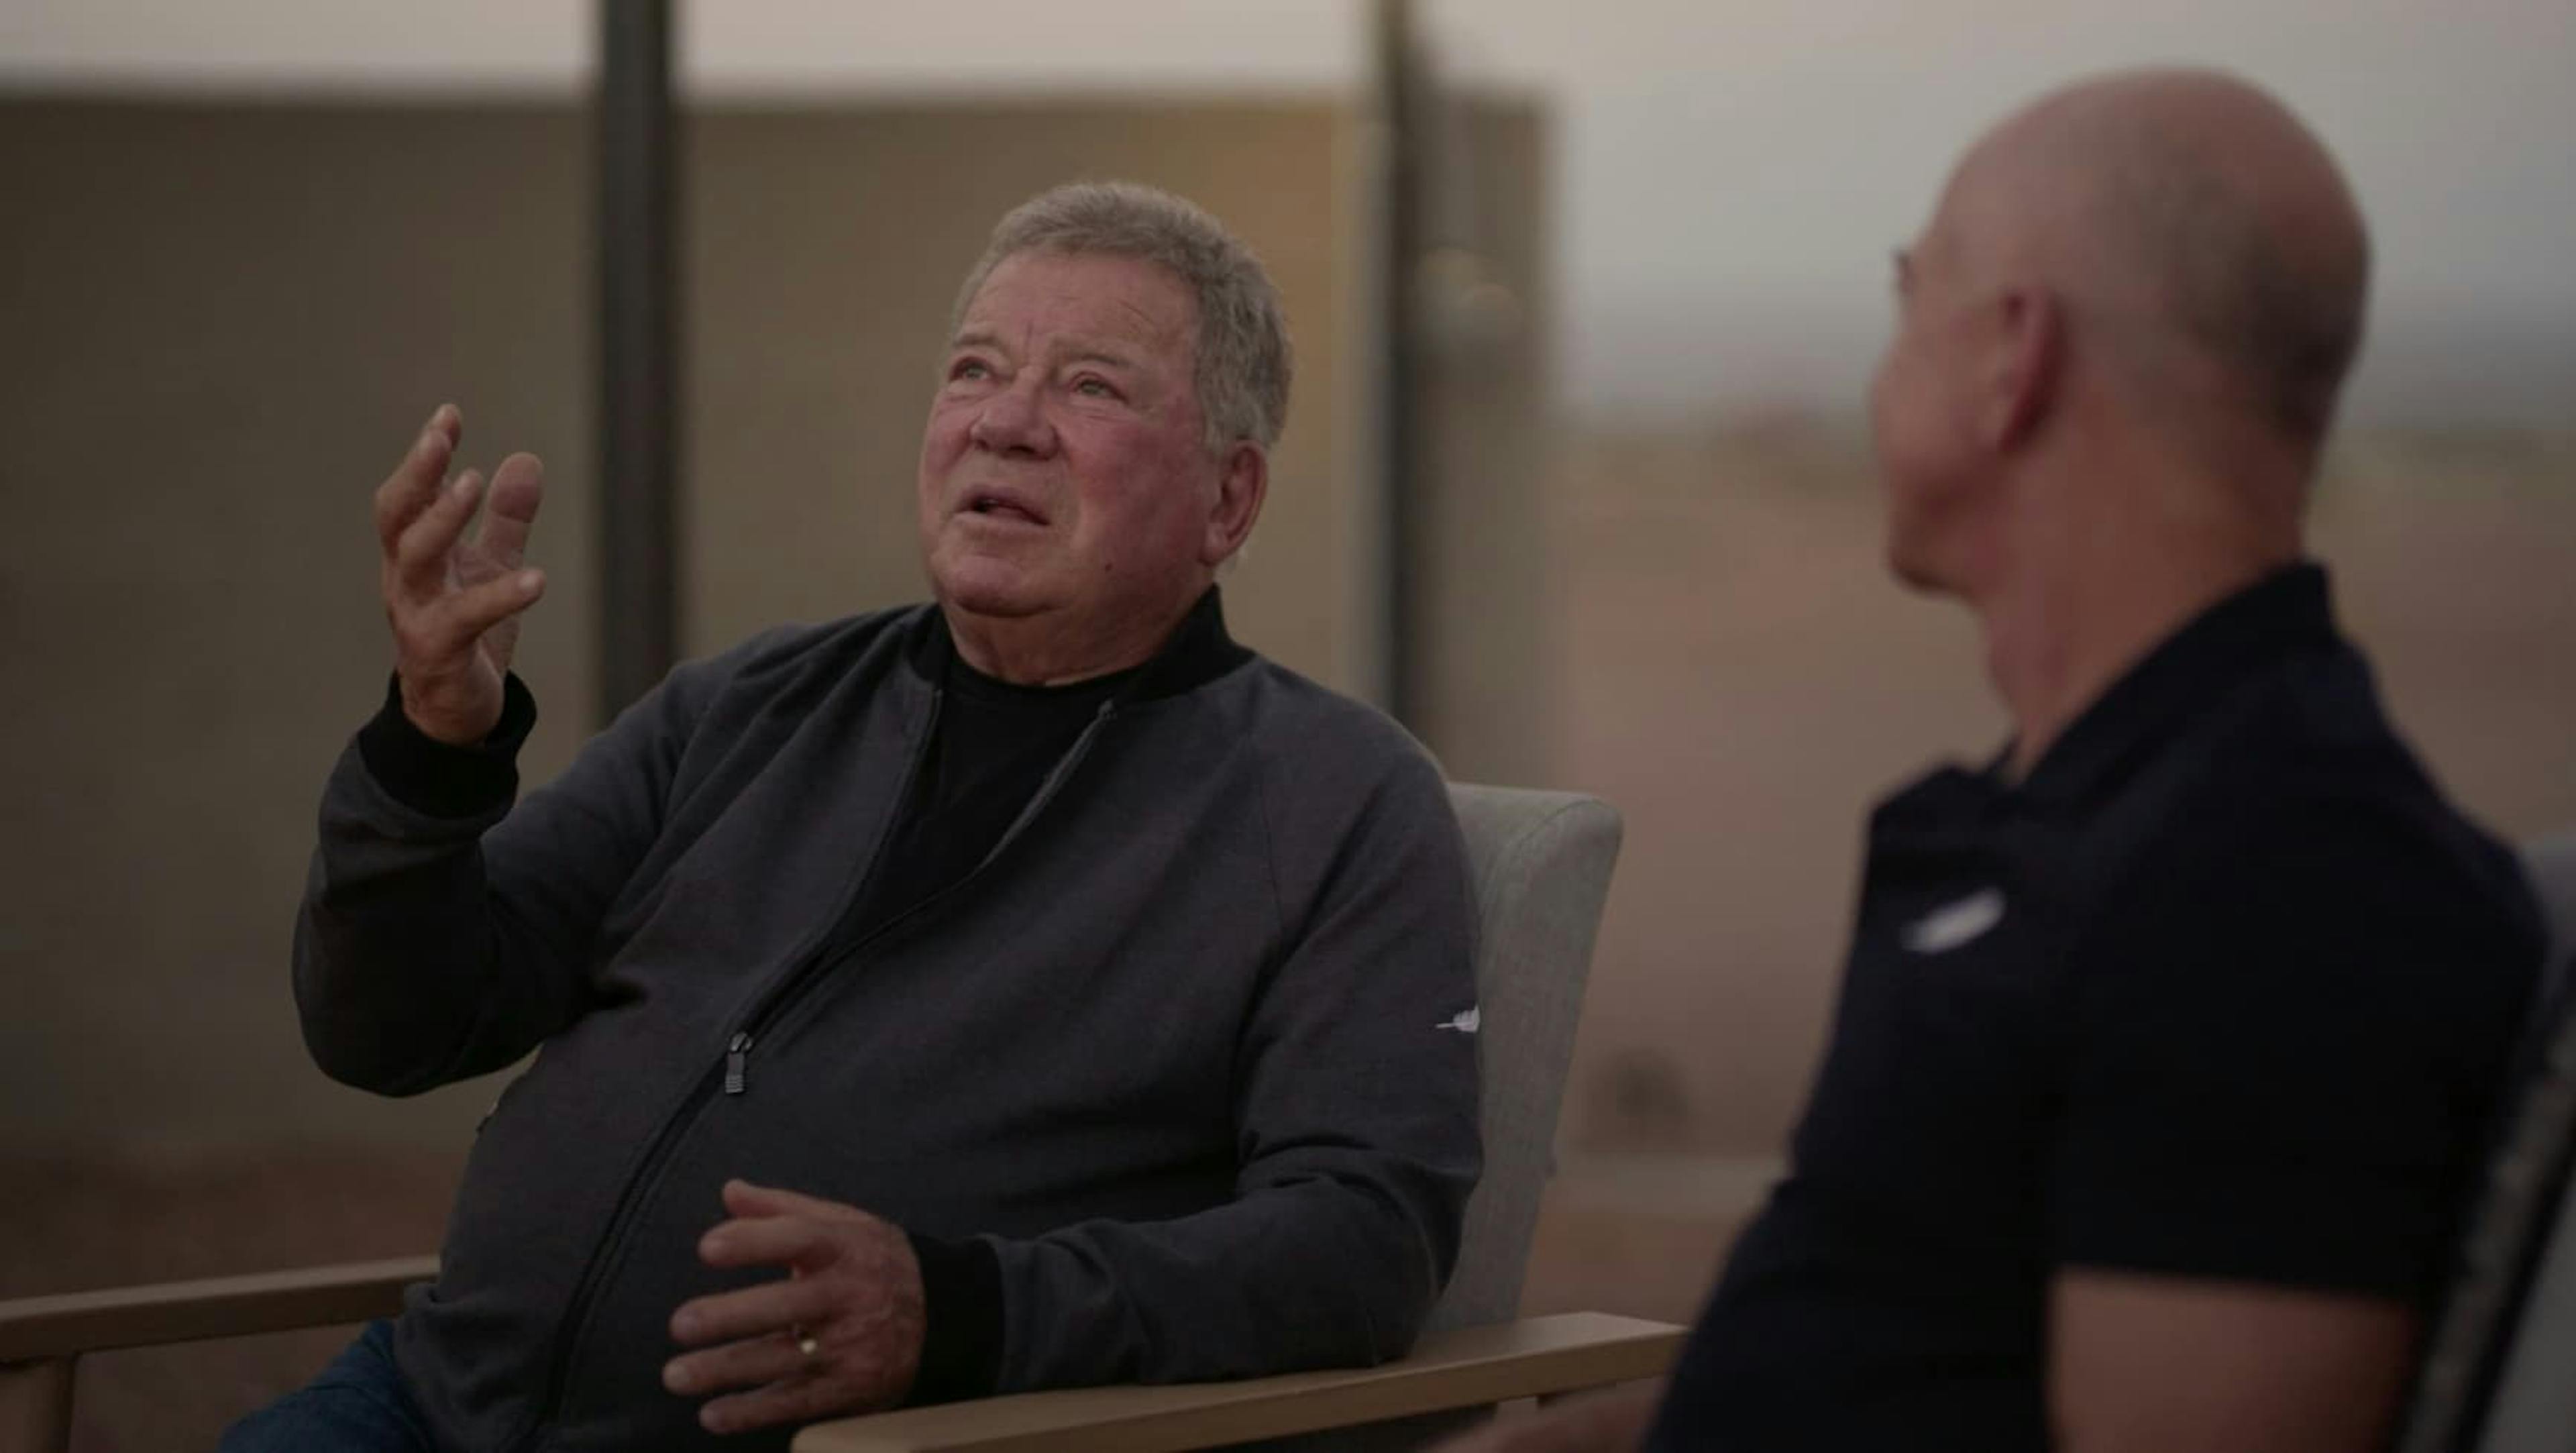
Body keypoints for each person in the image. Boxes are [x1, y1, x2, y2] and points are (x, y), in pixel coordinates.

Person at [227, 181, 1482, 1452]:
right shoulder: (751, 705)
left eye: (1091, 387)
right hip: (430, 1405)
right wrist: (433, 751)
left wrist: (962, 1313)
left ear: (1230, 499)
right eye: (975, 369)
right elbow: (388, 1027)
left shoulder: (1334, 804)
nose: (1006, 421)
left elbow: (1363, 1241)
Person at [1444, 68, 2544, 1453]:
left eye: (1911, 301)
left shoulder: (2280, 889)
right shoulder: (2093, 826)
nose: (1879, 364)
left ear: (2010, 355)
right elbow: (1853, 1374)